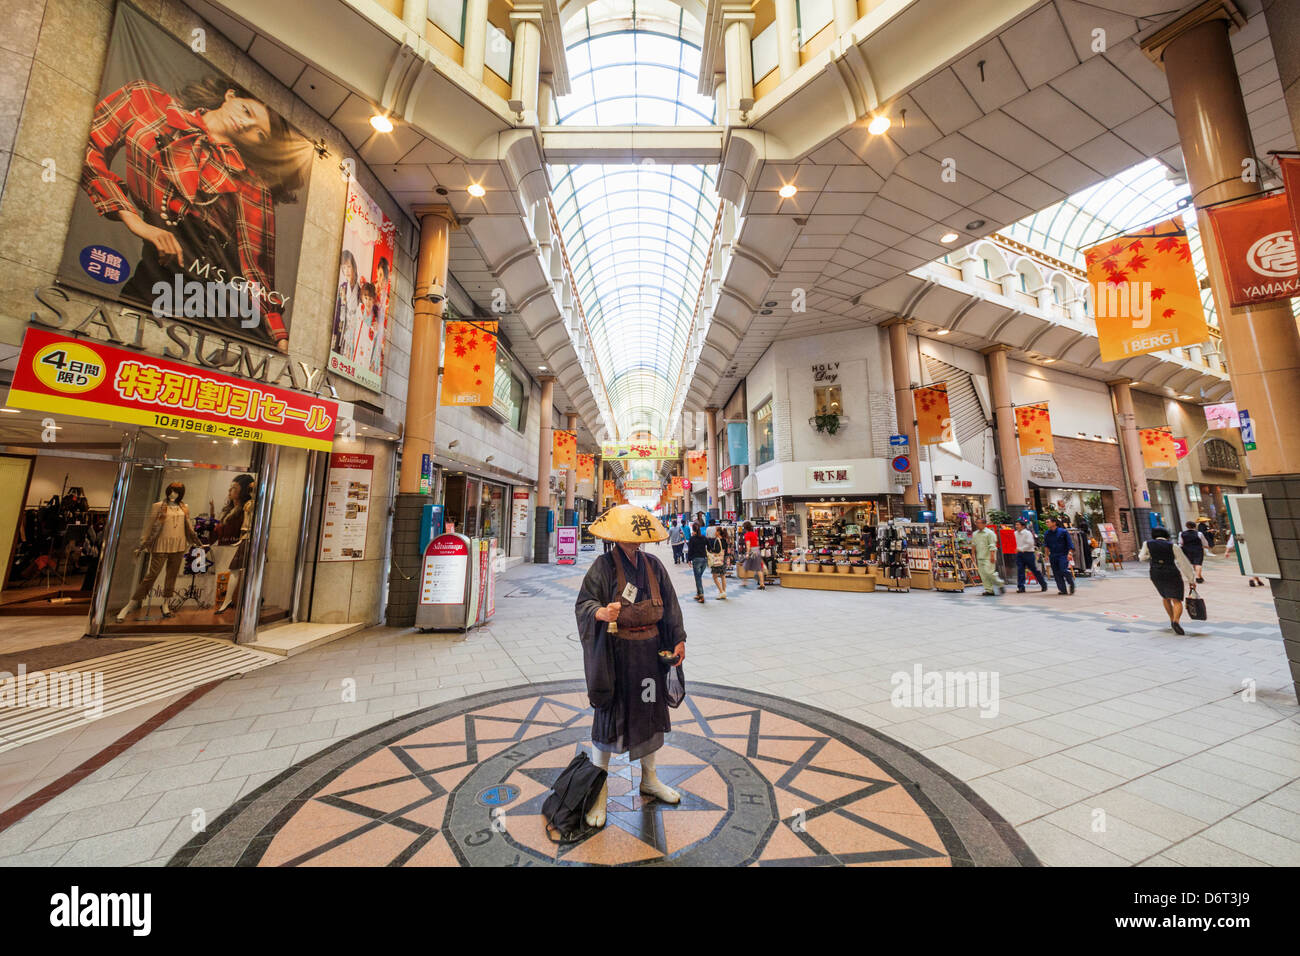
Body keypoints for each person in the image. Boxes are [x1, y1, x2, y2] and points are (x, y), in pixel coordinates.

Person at [81, 76, 311, 351]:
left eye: (257, 134)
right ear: (230, 95)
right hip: (151, 280)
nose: (245, 124)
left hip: (215, 304)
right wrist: (136, 222)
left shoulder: (250, 185)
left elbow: (254, 267)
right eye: (247, 111)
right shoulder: (146, 100)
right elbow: (88, 150)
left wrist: (279, 335)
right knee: (113, 355)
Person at [576, 505, 687, 829]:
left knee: (650, 714)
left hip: (649, 659)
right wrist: (599, 613)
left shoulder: (653, 566)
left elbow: (671, 607)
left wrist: (678, 639)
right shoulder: (603, 566)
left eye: (639, 540)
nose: (636, 544)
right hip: (616, 659)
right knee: (609, 717)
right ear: (618, 538)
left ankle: (649, 779)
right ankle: (599, 790)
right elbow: (584, 602)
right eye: (630, 539)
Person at [1139, 527, 1196, 634]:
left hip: (1156, 573)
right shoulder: (1173, 546)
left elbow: (1142, 558)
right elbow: (1184, 563)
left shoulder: (1147, 543)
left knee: (1165, 597)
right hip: (1171, 573)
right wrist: (1191, 580)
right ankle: (1176, 621)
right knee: (1176, 599)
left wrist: (1151, 555)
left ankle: (1171, 619)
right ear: (1167, 536)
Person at [971, 518, 1005, 596]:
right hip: (980, 556)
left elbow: (992, 545)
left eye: (979, 523)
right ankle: (989, 590)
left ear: (984, 524)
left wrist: (992, 555)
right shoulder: (975, 534)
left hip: (988, 556)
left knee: (989, 572)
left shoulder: (990, 533)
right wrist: (973, 554)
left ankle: (1000, 584)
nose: (977, 524)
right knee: (983, 574)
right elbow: (973, 544)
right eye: (977, 523)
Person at [1014, 519, 1048, 593]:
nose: (1016, 526)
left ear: (1023, 526)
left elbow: (1030, 544)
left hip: (1028, 553)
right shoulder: (1015, 533)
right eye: (1016, 524)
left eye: (1018, 525)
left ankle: (1043, 584)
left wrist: (1020, 548)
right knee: (1020, 570)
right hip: (1019, 554)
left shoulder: (1027, 533)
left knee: (1034, 570)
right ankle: (1021, 587)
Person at [1043, 517, 1075, 595]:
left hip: (1063, 554)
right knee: (1056, 573)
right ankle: (1062, 590)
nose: (1046, 523)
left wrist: (1070, 553)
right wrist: (1046, 555)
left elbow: (1069, 543)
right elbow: (1046, 546)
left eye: (1048, 522)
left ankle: (1071, 582)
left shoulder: (1063, 532)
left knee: (1063, 570)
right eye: (1046, 522)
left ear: (1054, 523)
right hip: (1053, 555)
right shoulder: (1047, 533)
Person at [738, 520, 767, 589]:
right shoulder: (754, 534)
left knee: (746, 567)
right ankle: (762, 584)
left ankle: (744, 582)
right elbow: (757, 543)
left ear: (745, 528)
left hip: (751, 552)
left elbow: (748, 545)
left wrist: (748, 553)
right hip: (757, 551)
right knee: (759, 568)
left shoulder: (747, 535)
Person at [685, 521, 708, 603]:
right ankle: (698, 594)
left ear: (693, 529)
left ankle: (701, 596)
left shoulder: (692, 539)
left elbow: (690, 550)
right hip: (704, 560)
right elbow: (709, 546)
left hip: (696, 560)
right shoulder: (704, 537)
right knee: (699, 577)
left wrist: (688, 560)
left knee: (698, 578)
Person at [705, 525, 727, 599]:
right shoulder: (724, 539)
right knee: (723, 576)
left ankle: (721, 591)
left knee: (714, 577)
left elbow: (717, 550)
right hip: (723, 559)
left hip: (717, 561)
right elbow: (725, 550)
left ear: (718, 532)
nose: (714, 532)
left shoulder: (718, 540)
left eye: (715, 531)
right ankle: (724, 592)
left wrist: (711, 551)